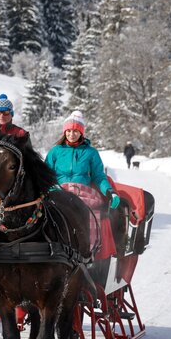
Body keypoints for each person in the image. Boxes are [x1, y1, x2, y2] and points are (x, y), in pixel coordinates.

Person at [44, 110, 119, 259]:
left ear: (81, 133)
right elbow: (47, 174)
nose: (72, 134)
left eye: (76, 131)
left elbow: (98, 176)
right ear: (65, 132)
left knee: (90, 211)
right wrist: (50, 186)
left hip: (82, 191)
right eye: (69, 131)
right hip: (59, 190)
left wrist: (110, 191)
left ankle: (88, 250)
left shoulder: (90, 152)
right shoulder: (55, 152)